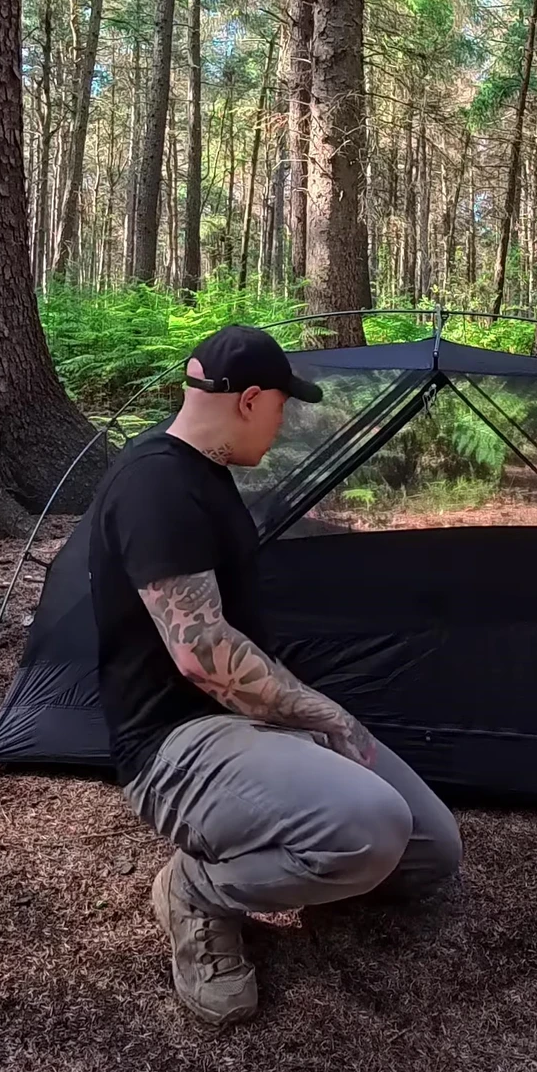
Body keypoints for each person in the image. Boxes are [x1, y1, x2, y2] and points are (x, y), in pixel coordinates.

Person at [79, 323, 462, 1026]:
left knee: (430, 849)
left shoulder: (207, 476)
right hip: (177, 742)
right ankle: (198, 890)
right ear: (250, 399)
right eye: (281, 407)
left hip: (252, 721)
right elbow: (201, 651)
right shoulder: (156, 486)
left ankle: (309, 847)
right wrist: (323, 715)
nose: (281, 424)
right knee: (372, 829)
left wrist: (301, 717)